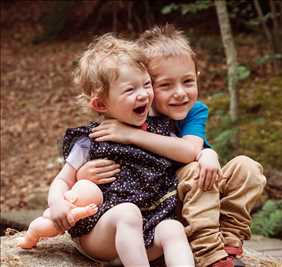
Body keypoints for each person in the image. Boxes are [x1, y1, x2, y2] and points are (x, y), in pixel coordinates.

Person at [78, 25, 267, 267]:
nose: (180, 93)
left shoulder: (193, 111)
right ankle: (207, 251)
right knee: (196, 172)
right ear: (147, 84)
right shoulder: (137, 114)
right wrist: (83, 175)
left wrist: (207, 153)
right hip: (162, 207)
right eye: (165, 86)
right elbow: (97, 155)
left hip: (199, 194)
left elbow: (190, 150)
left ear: (197, 77)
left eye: (188, 81)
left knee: (247, 168)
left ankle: (228, 239)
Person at [19, 33, 194, 267]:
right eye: (130, 90)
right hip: (100, 231)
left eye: (146, 84)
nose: (143, 94)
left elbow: (187, 153)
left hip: (149, 226)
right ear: (101, 104)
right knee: (127, 213)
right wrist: (57, 203)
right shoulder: (91, 139)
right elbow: (62, 180)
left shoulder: (158, 130)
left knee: (173, 229)